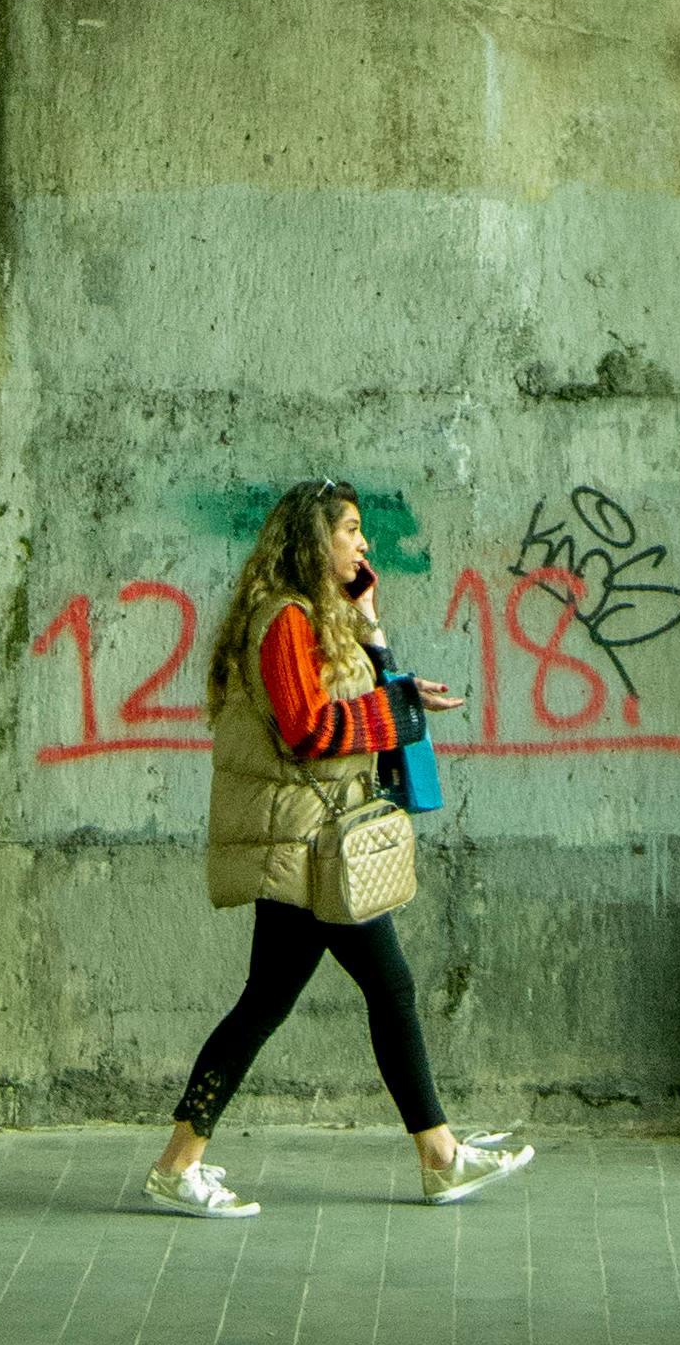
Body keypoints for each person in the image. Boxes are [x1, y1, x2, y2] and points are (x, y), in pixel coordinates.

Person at [146, 479, 535, 1217]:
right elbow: (312, 731)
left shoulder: (318, 620)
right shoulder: (285, 621)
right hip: (305, 844)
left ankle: (183, 1161)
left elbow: (358, 700)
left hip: (315, 844)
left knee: (276, 1000)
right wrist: (395, 710)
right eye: (351, 530)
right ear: (313, 540)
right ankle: (437, 1155)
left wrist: (374, 631)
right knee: (374, 988)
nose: (363, 544)